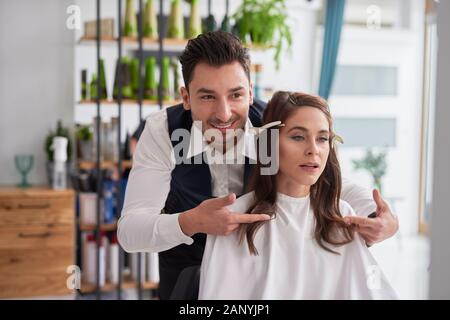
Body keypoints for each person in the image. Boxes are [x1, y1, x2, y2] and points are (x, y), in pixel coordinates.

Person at [117, 31, 399, 300]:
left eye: (235, 95)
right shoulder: (163, 132)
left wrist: (380, 217)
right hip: (185, 274)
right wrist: (191, 221)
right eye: (207, 96)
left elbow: (323, 177)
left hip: (258, 270)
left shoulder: (273, 126)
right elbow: (130, 232)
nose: (224, 113)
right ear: (186, 97)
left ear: (250, 92)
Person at [199, 91, 397, 299]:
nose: (313, 150)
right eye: (298, 137)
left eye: (322, 139)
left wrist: (388, 220)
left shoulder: (340, 216)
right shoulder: (232, 220)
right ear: (270, 143)